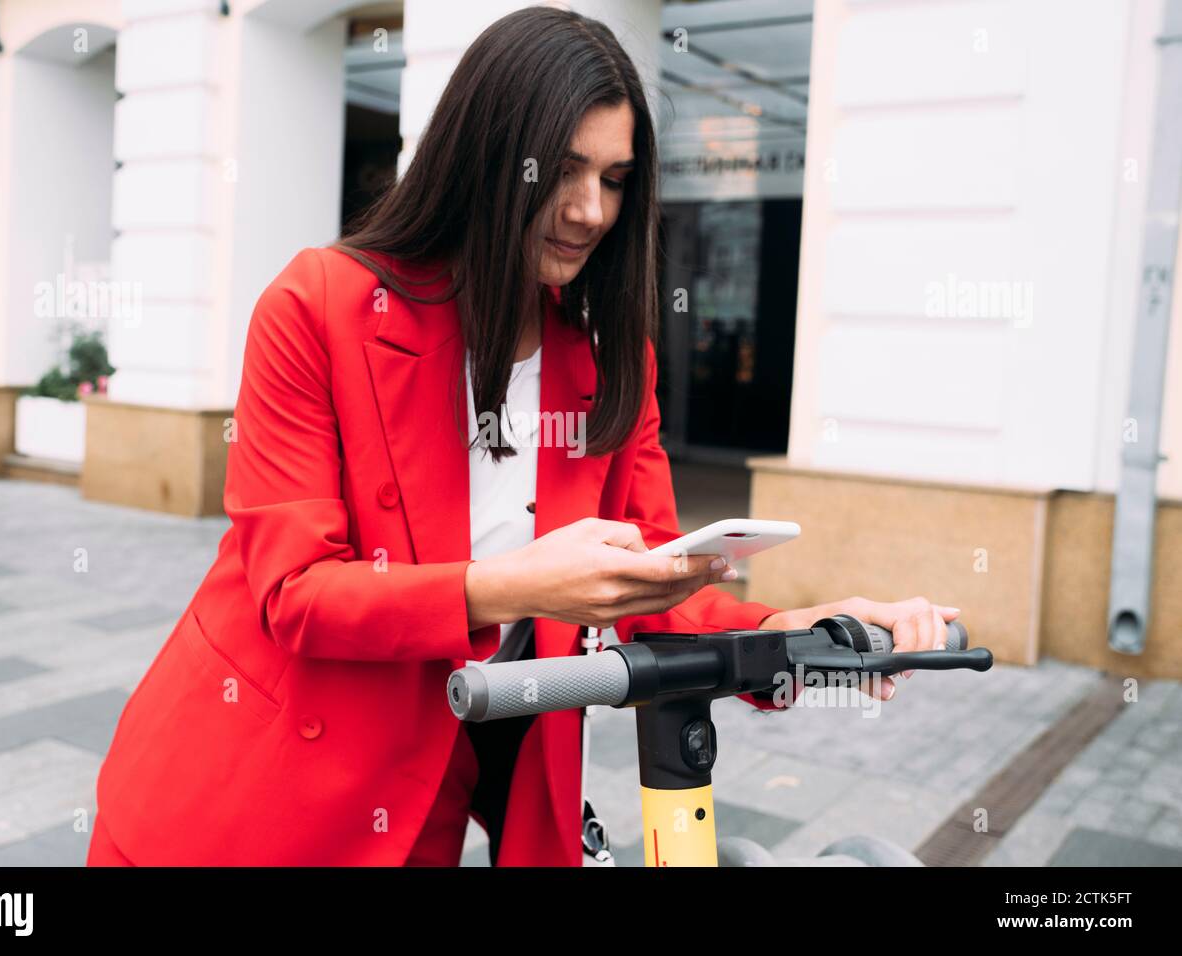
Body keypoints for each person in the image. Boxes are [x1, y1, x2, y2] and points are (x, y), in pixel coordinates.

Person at [87, 6, 959, 868]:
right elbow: (296, 594)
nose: (589, 210)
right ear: (484, 155)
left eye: (616, 179)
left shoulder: (614, 362)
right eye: (565, 171)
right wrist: (512, 586)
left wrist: (800, 633)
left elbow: (659, 582)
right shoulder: (318, 305)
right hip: (232, 804)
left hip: (418, 819)